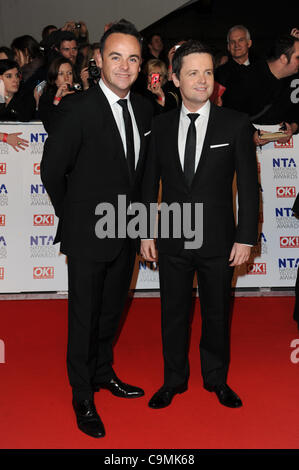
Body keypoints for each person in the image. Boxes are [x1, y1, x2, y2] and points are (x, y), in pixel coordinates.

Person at [40, 20, 153, 439]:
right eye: (116, 57)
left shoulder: (144, 109)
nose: (124, 66)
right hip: (88, 233)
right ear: (100, 60)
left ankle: (104, 373)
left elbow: (141, 177)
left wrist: (141, 227)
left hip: (126, 231)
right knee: (83, 317)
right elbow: (52, 171)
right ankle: (82, 392)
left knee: (111, 312)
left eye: (133, 58)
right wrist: (72, 219)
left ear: (141, 65)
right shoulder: (77, 108)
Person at [140, 41, 259, 410]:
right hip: (173, 237)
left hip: (219, 240)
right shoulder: (159, 127)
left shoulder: (236, 123)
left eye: (208, 71)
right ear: (174, 78)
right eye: (193, 72)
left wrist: (245, 237)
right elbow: (148, 183)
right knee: (172, 314)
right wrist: (145, 230)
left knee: (217, 313)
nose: (202, 80)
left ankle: (216, 379)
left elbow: (250, 187)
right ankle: (173, 380)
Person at [222, 34, 299, 147]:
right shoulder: (245, 78)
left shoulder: (291, 81)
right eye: (298, 57)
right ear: (283, 58)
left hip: (280, 157)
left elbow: (295, 111)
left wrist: (292, 127)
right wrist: (251, 134)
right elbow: (230, 115)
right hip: (246, 152)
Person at [215, 25, 253, 106]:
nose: (236, 45)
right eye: (232, 42)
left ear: (249, 43)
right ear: (228, 46)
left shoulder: (262, 68)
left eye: (241, 40)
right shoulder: (219, 74)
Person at [38, 57, 79, 132]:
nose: (66, 78)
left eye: (69, 73)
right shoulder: (46, 98)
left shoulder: (79, 95)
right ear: (54, 78)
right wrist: (57, 99)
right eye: (61, 74)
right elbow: (50, 128)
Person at [0, 59, 35, 123]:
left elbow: (25, 117)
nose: (15, 80)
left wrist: (8, 98)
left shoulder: (26, 94)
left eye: (17, 76)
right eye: (9, 76)